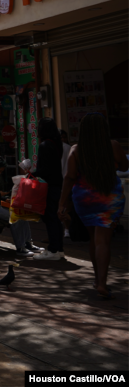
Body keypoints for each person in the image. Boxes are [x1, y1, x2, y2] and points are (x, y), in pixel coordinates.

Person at [58, 113, 129, 299]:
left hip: (85, 200)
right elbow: (124, 166)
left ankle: (97, 280)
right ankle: (102, 284)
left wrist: (62, 203)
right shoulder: (113, 146)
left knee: (93, 239)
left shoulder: (76, 150)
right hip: (109, 198)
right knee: (103, 241)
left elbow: (69, 177)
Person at [32, 118, 66, 260]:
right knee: (55, 218)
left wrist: (31, 173)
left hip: (48, 186)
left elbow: (44, 169)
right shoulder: (57, 144)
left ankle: (53, 250)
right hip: (57, 184)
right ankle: (58, 248)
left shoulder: (45, 145)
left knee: (50, 217)